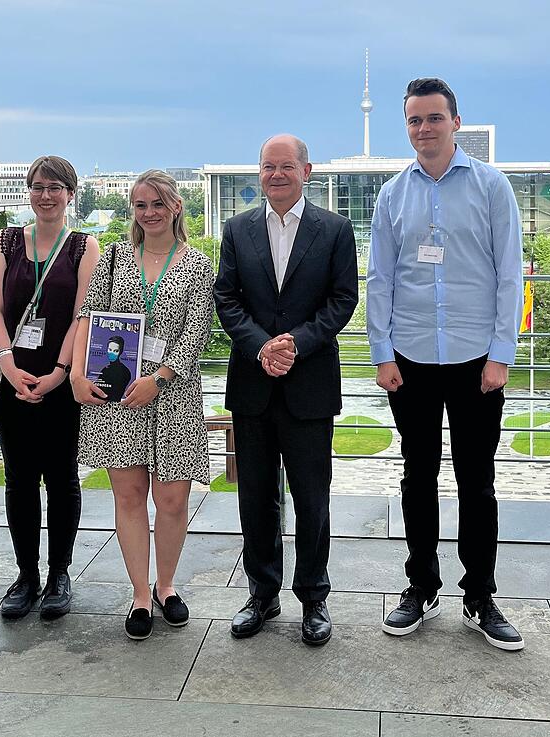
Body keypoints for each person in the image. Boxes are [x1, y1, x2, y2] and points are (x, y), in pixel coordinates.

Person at [367, 78, 525, 651]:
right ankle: (421, 586)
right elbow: (380, 279)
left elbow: (510, 274)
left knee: (477, 484)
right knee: (418, 478)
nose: (424, 129)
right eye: (414, 120)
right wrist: (380, 353)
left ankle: (480, 595)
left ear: (455, 122)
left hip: (476, 361)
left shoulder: (491, 186)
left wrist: (502, 356)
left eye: (434, 118)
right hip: (410, 360)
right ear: (406, 126)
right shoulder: (392, 194)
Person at [214, 134, 358, 647]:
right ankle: (262, 593)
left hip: (310, 387)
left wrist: (294, 344)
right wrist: (261, 347)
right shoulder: (237, 229)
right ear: (259, 174)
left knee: (312, 500)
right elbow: (225, 298)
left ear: (307, 170)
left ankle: (314, 599)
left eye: (286, 167)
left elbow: (344, 301)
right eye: (267, 167)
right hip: (253, 386)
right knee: (255, 498)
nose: (276, 175)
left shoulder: (336, 230)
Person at [71, 169, 213, 641]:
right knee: (129, 497)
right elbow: (88, 318)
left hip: (173, 396)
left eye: (157, 203)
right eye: (139, 205)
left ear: (175, 206)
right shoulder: (113, 257)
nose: (148, 213)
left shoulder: (196, 264)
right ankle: (138, 594)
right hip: (118, 395)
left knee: (172, 499)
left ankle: (166, 586)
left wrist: (160, 377)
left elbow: (196, 333)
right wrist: (75, 373)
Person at [0, 155, 100, 619]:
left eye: (55, 187)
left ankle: (59, 575)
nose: (45, 195)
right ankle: (26, 576)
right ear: (28, 191)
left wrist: (58, 373)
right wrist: (8, 365)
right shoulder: (7, 241)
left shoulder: (82, 247)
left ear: (70, 193)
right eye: (37, 186)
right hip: (10, 379)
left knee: (61, 477)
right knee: (18, 479)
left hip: (61, 380)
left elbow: (82, 314)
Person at [95, 335, 132, 401]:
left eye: (115, 351)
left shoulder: (124, 371)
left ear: (120, 352)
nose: (112, 353)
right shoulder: (105, 370)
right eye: (110, 350)